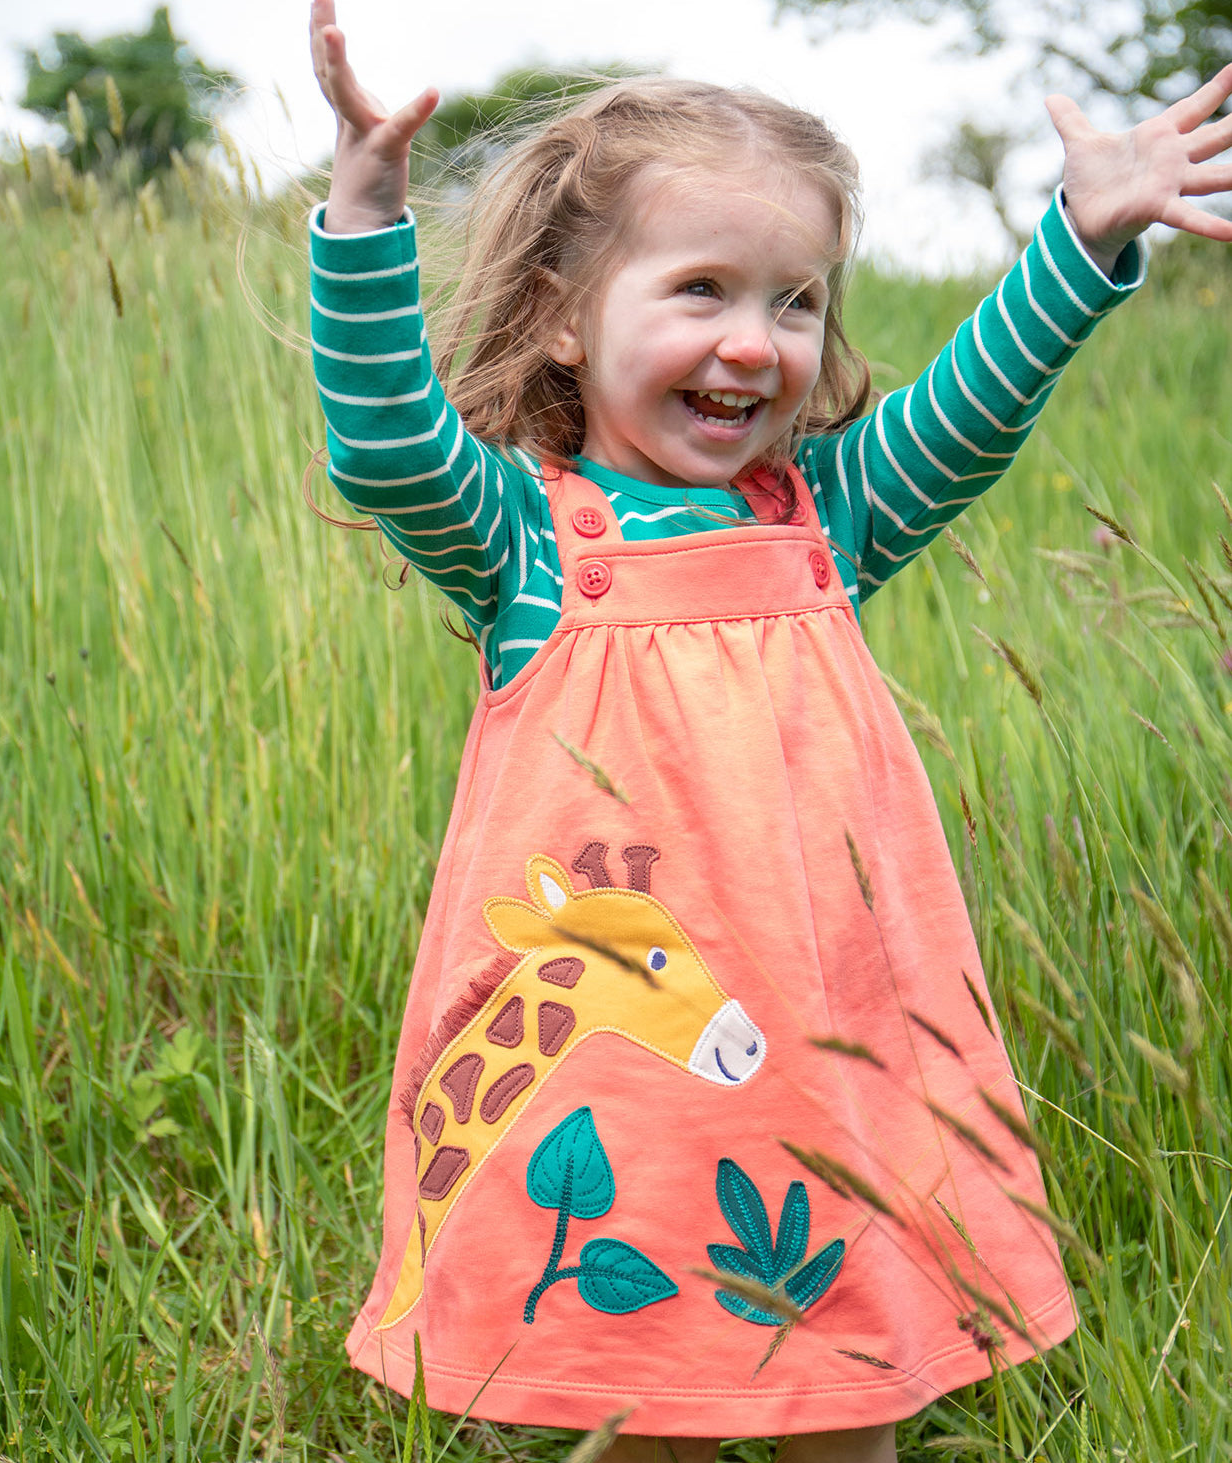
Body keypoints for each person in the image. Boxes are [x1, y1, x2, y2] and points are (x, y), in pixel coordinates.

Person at [306, 2, 1232, 1456]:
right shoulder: (527, 545)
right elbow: (378, 439)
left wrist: (1083, 239)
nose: (753, 344)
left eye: (794, 302)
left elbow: (976, 406)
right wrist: (363, 213)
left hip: (825, 1059)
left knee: (849, 1399)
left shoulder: (829, 516)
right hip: (636, 1091)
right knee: (658, 1410)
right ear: (561, 314)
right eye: (701, 291)